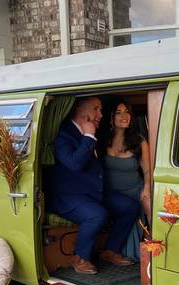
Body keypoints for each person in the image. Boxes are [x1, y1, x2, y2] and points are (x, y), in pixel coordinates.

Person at [47, 97, 139, 274]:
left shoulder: (96, 131)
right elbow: (74, 164)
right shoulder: (63, 134)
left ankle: (110, 250)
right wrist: (88, 136)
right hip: (68, 196)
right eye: (96, 109)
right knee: (97, 215)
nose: (101, 114)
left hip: (93, 192)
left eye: (101, 110)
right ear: (80, 110)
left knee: (130, 207)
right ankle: (79, 257)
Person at [101, 101, 151, 261]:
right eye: (118, 112)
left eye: (127, 112)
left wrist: (147, 188)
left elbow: (147, 170)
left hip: (134, 190)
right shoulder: (102, 141)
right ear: (110, 117)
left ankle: (156, 246)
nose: (124, 116)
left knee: (148, 203)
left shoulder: (140, 141)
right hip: (109, 193)